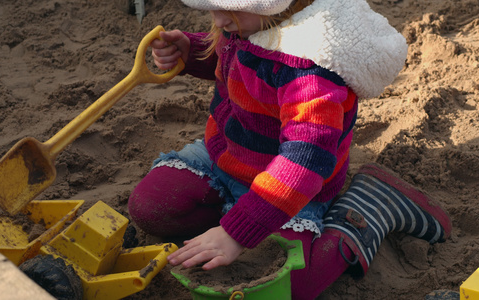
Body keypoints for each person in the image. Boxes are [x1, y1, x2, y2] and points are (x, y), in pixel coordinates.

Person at [128, 0, 452, 298]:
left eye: (231, 8)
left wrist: (236, 234)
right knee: (150, 206)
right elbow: (237, 57)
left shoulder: (310, 70)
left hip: (292, 183)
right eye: (213, 6)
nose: (219, 18)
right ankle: (240, 212)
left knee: (294, 285)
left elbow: (306, 158)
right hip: (229, 154)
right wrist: (193, 51)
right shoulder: (254, 23)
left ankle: (367, 209)